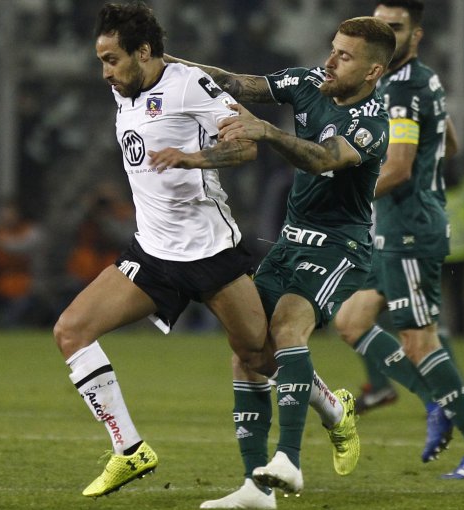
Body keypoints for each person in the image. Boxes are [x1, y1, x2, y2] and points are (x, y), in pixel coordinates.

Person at [54, 3, 279, 499]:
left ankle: (332, 405)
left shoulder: (187, 85)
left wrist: (192, 156)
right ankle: (129, 449)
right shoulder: (128, 84)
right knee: (71, 331)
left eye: (112, 59)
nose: (105, 71)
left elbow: (247, 147)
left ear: (144, 52)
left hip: (209, 250)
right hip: (153, 252)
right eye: (101, 60)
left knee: (260, 358)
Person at [168, 15, 395, 505]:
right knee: (250, 352)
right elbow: (232, 82)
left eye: (345, 56)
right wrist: (164, 62)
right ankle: (258, 486)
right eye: (332, 49)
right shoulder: (311, 81)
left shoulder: (373, 122)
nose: (330, 61)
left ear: (373, 72)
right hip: (290, 241)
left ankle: (288, 460)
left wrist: (268, 132)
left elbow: (323, 159)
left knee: (287, 329)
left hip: (340, 246)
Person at [326, 1, 464, 481]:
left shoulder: (403, 87)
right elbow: (450, 143)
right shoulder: (418, 79)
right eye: (380, 25)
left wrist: (346, 191)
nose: (386, 33)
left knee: (418, 341)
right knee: (350, 320)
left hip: (407, 230)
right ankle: (436, 398)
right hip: (396, 227)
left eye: (396, 27)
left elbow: (401, 166)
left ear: (416, 34)